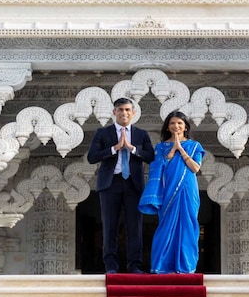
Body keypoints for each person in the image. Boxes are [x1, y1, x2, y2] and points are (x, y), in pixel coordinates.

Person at [87, 97, 154, 274]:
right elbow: (92, 157)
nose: (124, 113)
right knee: (110, 226)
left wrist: (132, 148)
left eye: (127, 110)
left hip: (134, 184)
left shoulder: (141, 134)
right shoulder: (103, 133)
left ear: (133, 113)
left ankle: (135, 266)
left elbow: (150, 156)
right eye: (120, 110)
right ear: (114, 112)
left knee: (135, 226)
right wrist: (114, 148)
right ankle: (111, 266)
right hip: (110, 184)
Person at [139, 111, 205, 274]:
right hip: (168, 188)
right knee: (166, 224)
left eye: (180, 123)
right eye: (172, 123)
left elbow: (195, 168)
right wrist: (171, 151)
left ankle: (186, 266)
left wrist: (180, 149)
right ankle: (162, 265)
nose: (176, 126)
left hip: (187, 189)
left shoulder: (194, 146)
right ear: (167, 127)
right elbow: (157, 167)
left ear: (185, 126)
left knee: (188, 224)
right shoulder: (161, 147)